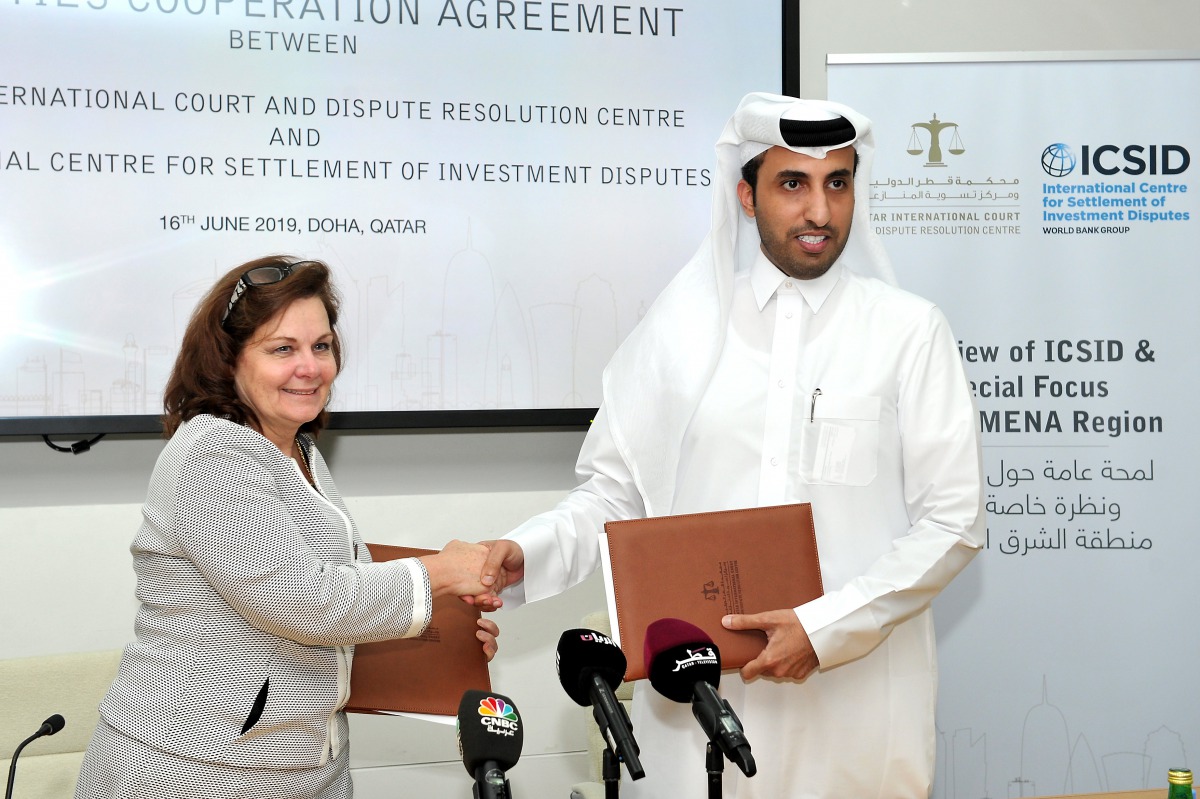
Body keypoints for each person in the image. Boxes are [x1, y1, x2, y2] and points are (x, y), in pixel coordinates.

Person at [471, 93, 986, 797]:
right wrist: (525, 552)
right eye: (793, 183)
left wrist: (826, 628)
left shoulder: (909, 332)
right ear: (746, 195)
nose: (820, 211)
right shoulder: (680, 331)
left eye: (838, 183)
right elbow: (617, 499)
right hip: (695, 707)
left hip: (853, 709)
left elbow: (954, 521)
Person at [75, 256, 498, 799]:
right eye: (282, 349)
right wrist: (441, 572)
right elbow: (299, 600)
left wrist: (447, 634)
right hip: (195, 771)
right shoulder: (212, 451)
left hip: (305, 767)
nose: (310, 367)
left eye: (321, 346)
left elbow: (331, 600)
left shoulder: (298, 450)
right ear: (228, 358)